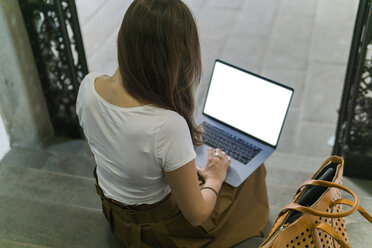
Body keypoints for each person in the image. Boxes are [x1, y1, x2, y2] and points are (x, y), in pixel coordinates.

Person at [76, 0, 269, 247]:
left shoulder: (88, 87)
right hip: (160, 232)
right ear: (176, 56)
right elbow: (197, 214)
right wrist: (214, 178)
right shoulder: (166, 124)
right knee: (250, 172)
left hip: (116, 217)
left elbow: (103, 152)